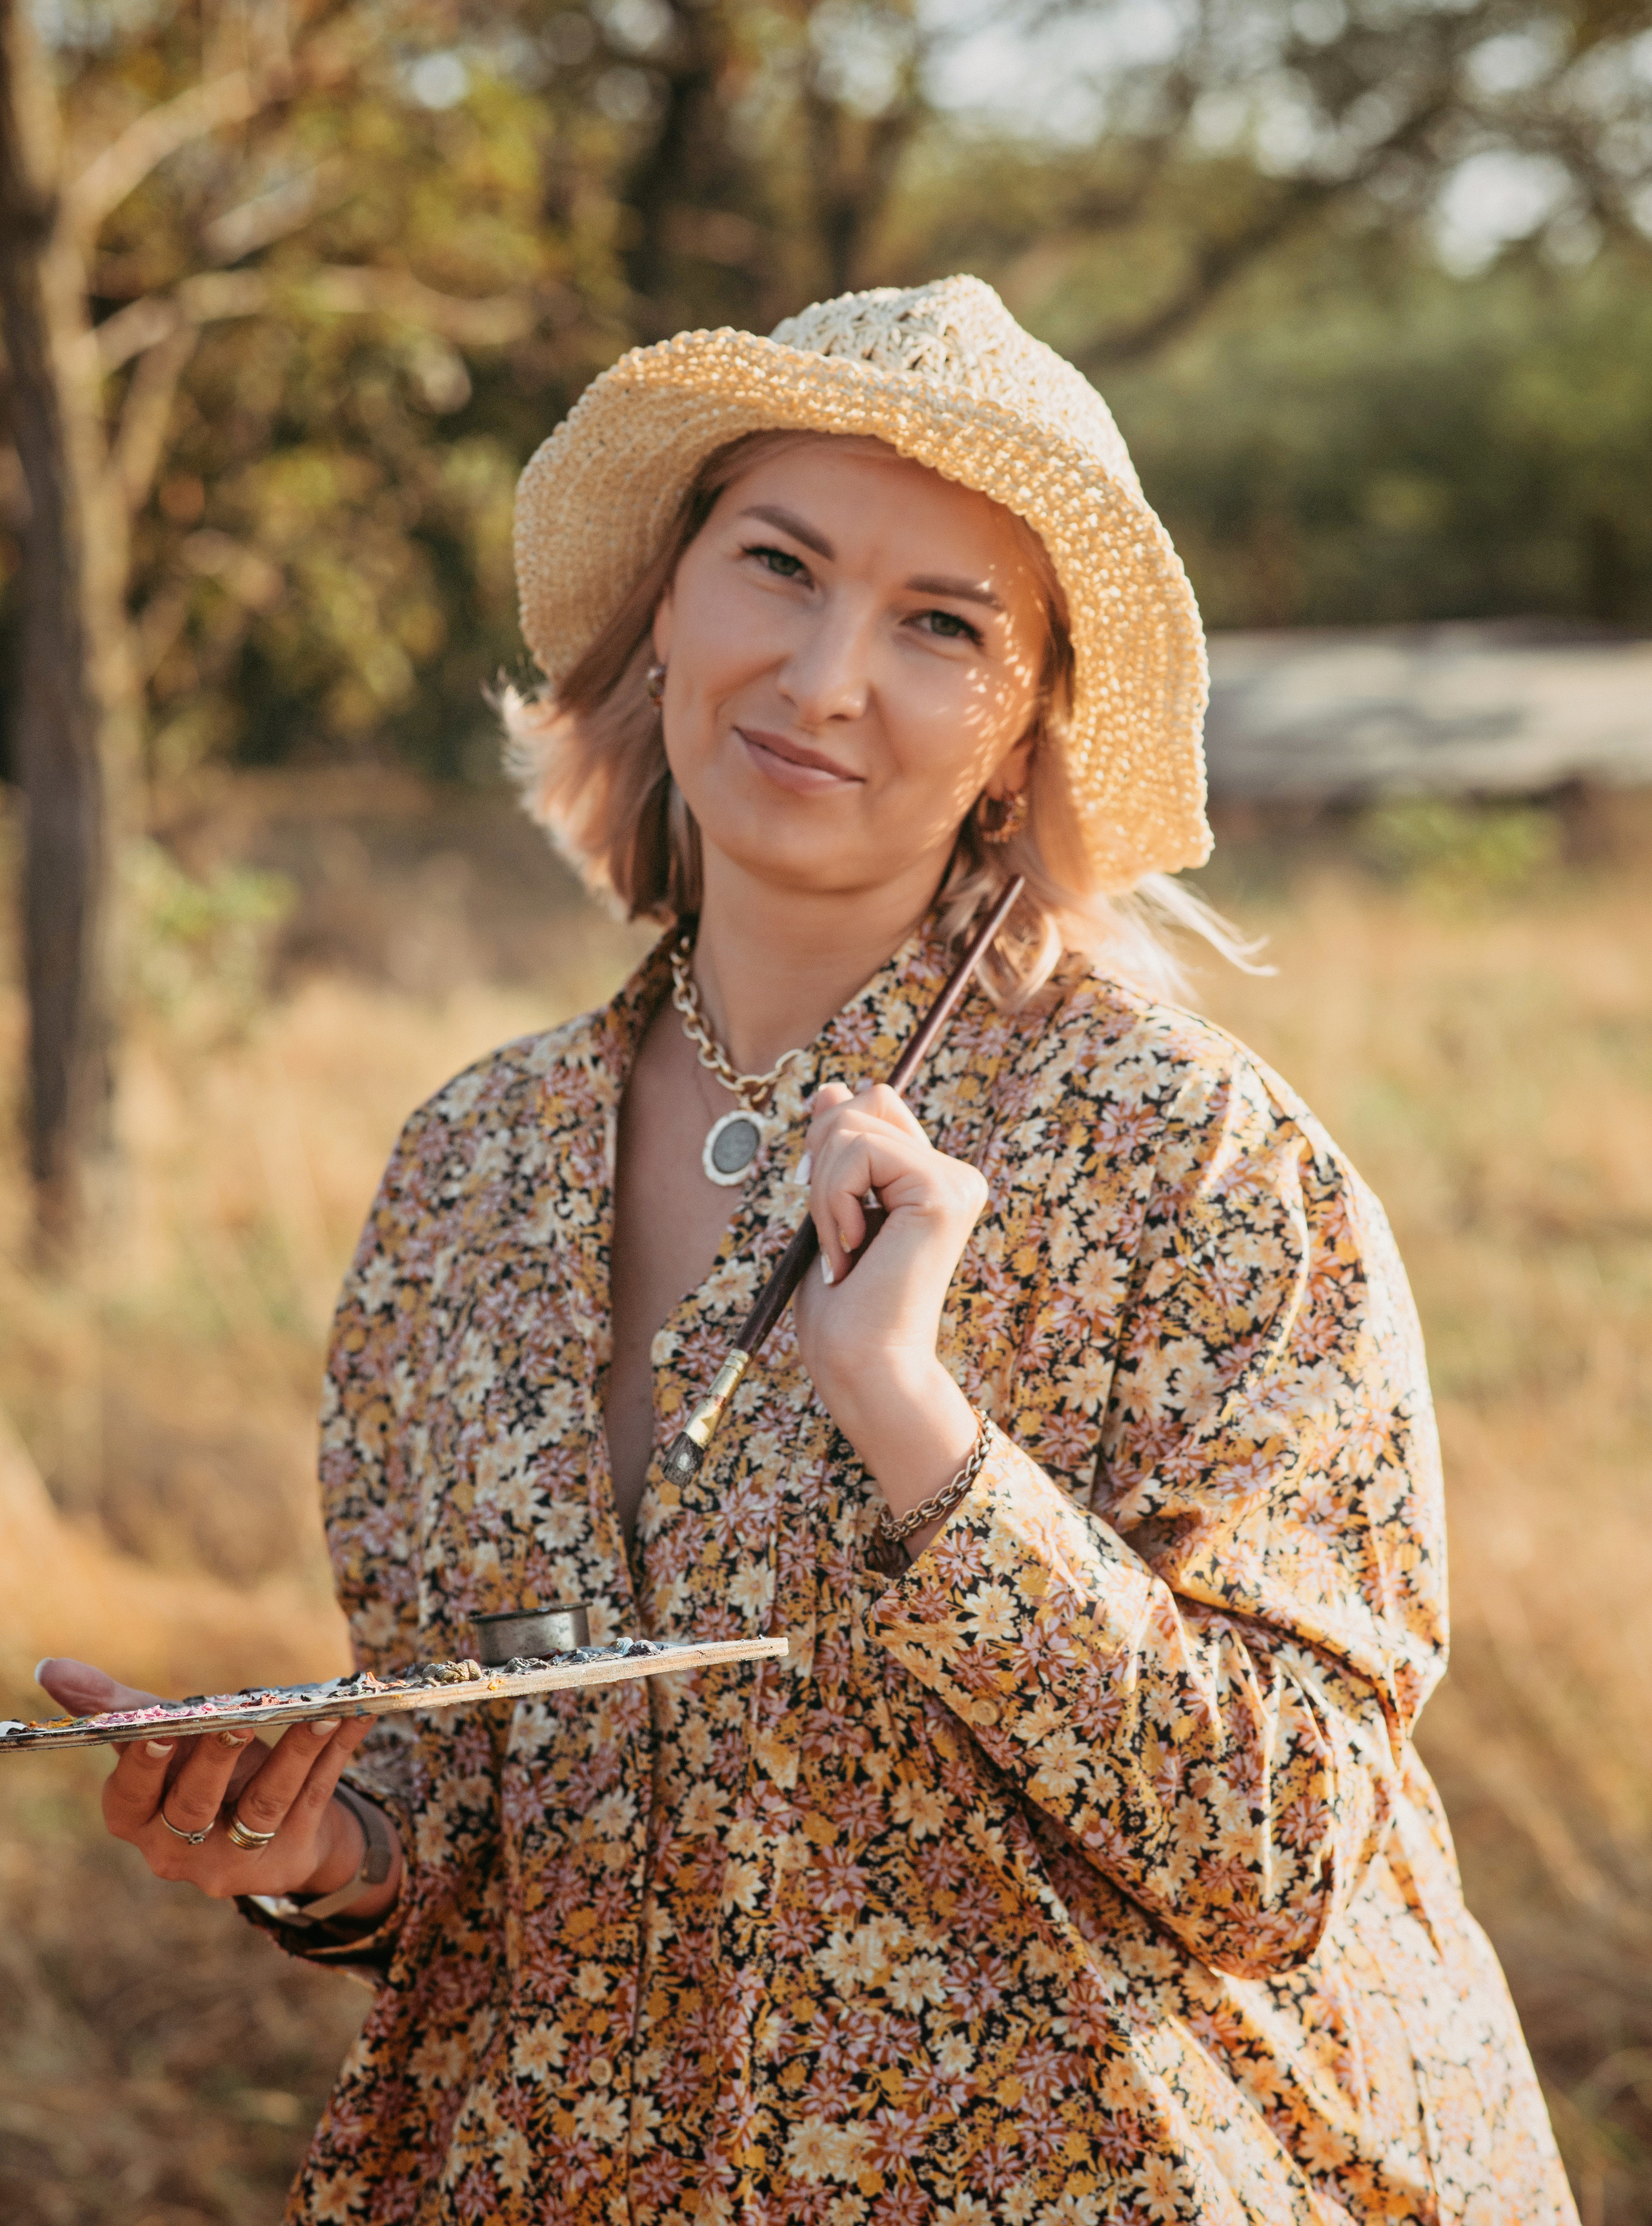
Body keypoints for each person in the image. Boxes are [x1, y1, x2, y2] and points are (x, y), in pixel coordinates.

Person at [41, 277, 1578, 2224]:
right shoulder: (470, 1173)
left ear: (1027, 722)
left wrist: (917, 1428)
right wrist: (326, 1847)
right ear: (669, 599)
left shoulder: (1192, 1165)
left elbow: (1281, 1850)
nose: (827, 673)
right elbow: (504, 1786)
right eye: (781, 564)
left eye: (943, 623)